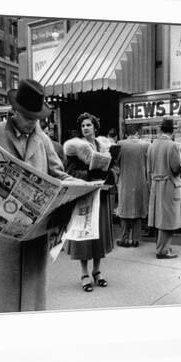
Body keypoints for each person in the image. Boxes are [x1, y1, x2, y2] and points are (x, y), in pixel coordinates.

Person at [0, 79, 71, 313]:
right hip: (1, 236)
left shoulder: (43, 140)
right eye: (28, 118)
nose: (33, 124)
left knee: (31, 304)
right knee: (0, 303)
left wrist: (76, 186)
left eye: (37, 119)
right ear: (14, 111)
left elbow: (60, 175)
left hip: (34, 235)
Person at [63, 112, 114, 292]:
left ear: (95, 127)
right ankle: (84, 273)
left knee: (99, 233)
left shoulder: (103, 145)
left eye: (88, 125)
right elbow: (68, 172)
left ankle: (97, 271)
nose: (85, 128)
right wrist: (89, 174)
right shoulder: (75, 148)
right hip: (85, 194)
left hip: (101, 193)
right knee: (86, 234)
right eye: (83, 125)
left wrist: (108, 169)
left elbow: (112, 168)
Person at [147, 117, 181, 259]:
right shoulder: (173, 145)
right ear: (172, 131)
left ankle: (161, 246)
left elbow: (149, 168)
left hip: (156, 184)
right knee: (168, 219)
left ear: (160, 130)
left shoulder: (152, 145)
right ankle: (163, 250)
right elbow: (176, 168)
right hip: (169, 184)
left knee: (159, 217)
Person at [115, 124, 149, 248]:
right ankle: (135, 239)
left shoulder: (119, 144)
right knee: (138, 211)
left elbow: (115, 162)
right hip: (140, 182)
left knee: (124, 211)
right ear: (137, 132)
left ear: (126, 133)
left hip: (125, 181)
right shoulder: (145, 145)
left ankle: (124, 239)